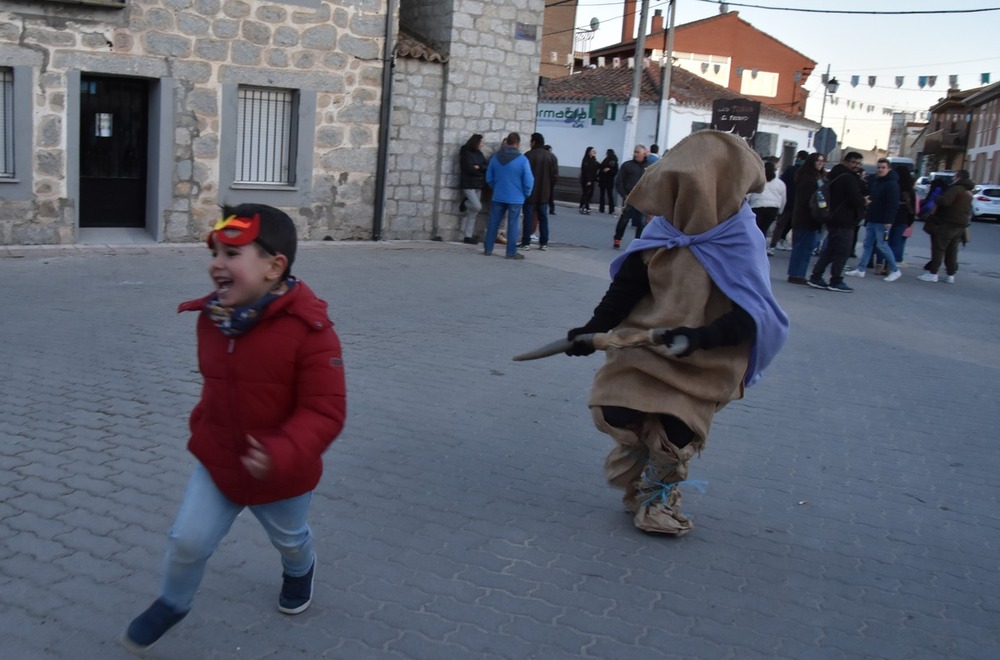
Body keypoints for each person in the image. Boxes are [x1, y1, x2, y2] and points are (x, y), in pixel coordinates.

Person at [121, 204, 347, 652]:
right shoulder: (214, 320)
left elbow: (326, 411)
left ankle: (301, 569)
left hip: (283, 473)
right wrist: (204, 423)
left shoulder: (312, 331)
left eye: (232, 254)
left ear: (273, 267)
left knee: (290, 539)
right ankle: (173, 602)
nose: (216, 265)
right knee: (188, 538)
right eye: (215, 253)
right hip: (219, 458)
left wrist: (282, 452)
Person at [564, 131, 788, 536]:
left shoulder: (741, 239)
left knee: (675, 432)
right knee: (615, 409)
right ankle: (640, 455)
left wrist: (697, 338)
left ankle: (656, 495)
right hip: (645, 344)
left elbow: (754, 313)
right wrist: (592, 329)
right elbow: (627, 287)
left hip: (707, 358)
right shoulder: (661, 231)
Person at [808, 152, 867, 292]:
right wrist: (864, 201)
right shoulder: (848, 178)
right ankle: (836, 280)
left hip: (833, 218)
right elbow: (855, 199)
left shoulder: (835, 174)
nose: (856, 166)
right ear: (845, 162)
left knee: (831, 250)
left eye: (859, 163)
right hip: (844, 220)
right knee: (843, 251)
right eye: (853, 162)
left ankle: (816, 276)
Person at [845, 158, 902, 282]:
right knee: (868, 244)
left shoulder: (891, 184)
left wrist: (889, 221)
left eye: (883, 167)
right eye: (879, 167)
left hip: (882, 220)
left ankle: (895, 270)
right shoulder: (877, 181)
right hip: (872, 218)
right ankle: (861, 269)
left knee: (882, 245)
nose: (880, 169)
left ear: (888, 169)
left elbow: (893, 204)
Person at [918, 169, 975, 284]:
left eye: (955, 176)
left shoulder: (955, 189)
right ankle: (950, 274)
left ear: (959, 177)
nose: (953, 178)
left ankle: (933, 273)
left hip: (949, 222)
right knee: (952, 250)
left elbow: (945, 202)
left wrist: (937, 198)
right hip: (961, 224)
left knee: (939, 247)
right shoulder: (968, 191)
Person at [484, 131, 533, 260]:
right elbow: (529, 180)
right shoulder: (522, 160)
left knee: (493, 223)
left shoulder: (495, 158)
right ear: (517, 143)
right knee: (513, 225)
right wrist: (526, 193)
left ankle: (488, 249)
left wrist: (497, 187)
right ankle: (511, 252)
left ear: (507, 142)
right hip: (516, 197)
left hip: (498, 195)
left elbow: (489, 178)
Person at [786, 152, 826, 284]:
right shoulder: (808, 178)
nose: (820, 163)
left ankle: (797, 273)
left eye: (822, 161)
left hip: (808, 218)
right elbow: (810, 200)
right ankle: (797, 274)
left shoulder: (815, 177)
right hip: (806, 217)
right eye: (818, 161)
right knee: (803, 247)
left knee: (804, 247)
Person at [519, 132, 558, 251]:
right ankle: (544, 242)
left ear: (534, 142)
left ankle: (526, 242)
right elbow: (555, 176)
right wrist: (549, 187)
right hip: (544, 194)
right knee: (543, 218)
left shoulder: (528, 155)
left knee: (528, 217)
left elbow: (523, 175)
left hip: (530, 193)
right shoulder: (551, 157)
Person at [613, 144, 651, 249]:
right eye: (634, 152)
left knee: (641, 222)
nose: (635, 154)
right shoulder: (627, 165)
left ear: (644, 154)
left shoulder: (650, 167)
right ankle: (617, 239)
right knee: (624, 220)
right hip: (629, 198)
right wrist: (624, 195)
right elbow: (619, 181)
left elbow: (653, 183)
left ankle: (637, 243)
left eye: (638, 152)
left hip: (642, 200)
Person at [770, 150, 808, 252]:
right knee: (791, 225)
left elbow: (782, 183)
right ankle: (781, 241)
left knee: (781, 224)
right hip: (798, 203)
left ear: (799, 158)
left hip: (788, 201)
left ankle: (774, 244)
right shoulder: (806, 172)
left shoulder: (790, 170)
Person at [747, 161, 786, 253]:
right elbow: (783, 198)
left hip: (757, 206)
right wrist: (780, 210)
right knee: (764, 229)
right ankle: (761, 248)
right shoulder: (780, 183)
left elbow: (749, 194)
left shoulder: (757, 181)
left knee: (756, 228)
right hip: (773, 208)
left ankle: (753, 248)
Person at [458, 134, 487, 244]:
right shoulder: (466, 153)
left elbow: (485, 166)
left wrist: (479, 167)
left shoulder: (479, 154)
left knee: (473, 213)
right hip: (468, 184)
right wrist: (479, 169)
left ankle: (468, 236)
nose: (482, 145)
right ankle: (465, 203)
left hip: (478, 184)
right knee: (477, 206)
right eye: (481, 142)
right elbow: (469, 168)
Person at [578, 146, 600, 215]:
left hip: (592, 180)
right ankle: (585, 207)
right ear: (589, 152)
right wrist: (588, 180)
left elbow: (599, 166)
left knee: (589, 194)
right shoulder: (586, 160)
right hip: (586, 180)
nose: (594, 152)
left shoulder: (593, 160)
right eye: (593, 151)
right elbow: (586, 171)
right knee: (586, 194)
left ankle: (583, 206)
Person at [598, 148, 619, 214]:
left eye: (607, 153)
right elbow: (601, 167)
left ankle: (611, 209)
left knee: (609, 195)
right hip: (603, 179)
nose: (606, 154)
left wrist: (608, 170)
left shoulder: (614, 161)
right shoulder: (606, 159)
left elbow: (615, 171)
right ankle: (602, 209)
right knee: (602, 195)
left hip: (609, 180)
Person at [545, 144, 558, 215]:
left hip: (546, 179)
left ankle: (550, 208)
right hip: (550, 180)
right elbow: (555, 171)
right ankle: (552, 209)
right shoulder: (553, 157)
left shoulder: (545, 157)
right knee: (550, 196)